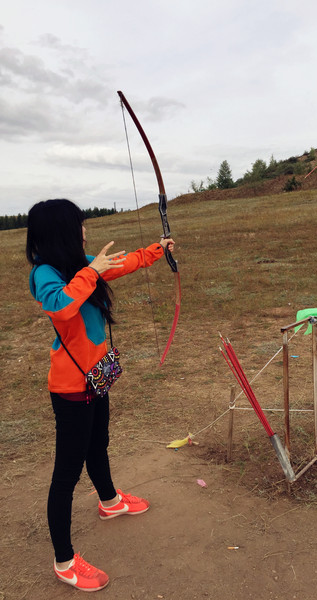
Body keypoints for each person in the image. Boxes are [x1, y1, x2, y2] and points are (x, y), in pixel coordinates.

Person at [26, 198, 175, 592]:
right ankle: (64, 562)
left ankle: (109, 502)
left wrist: (157, 251)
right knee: (66, 473)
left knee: (99, 444)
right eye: (79, 225)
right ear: (61, 231)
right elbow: (61, 307)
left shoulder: (82, 264)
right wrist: (91, 271)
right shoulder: (46, 273)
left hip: (96, 375)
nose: (85, 231)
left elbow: (120, 264)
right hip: (71, 387)